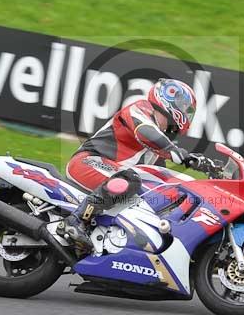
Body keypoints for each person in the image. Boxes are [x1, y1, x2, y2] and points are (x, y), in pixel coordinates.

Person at [58, 78, 201, 251]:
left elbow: (161, 178)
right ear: (169, 98)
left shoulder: (156, 144)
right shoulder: (141, 109)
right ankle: (76, 220)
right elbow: (145, 131)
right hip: (88, 161)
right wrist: (175, 152)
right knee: (131, 179)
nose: (186, 113)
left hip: (109, 172)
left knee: (154, 194)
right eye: (184, 107)